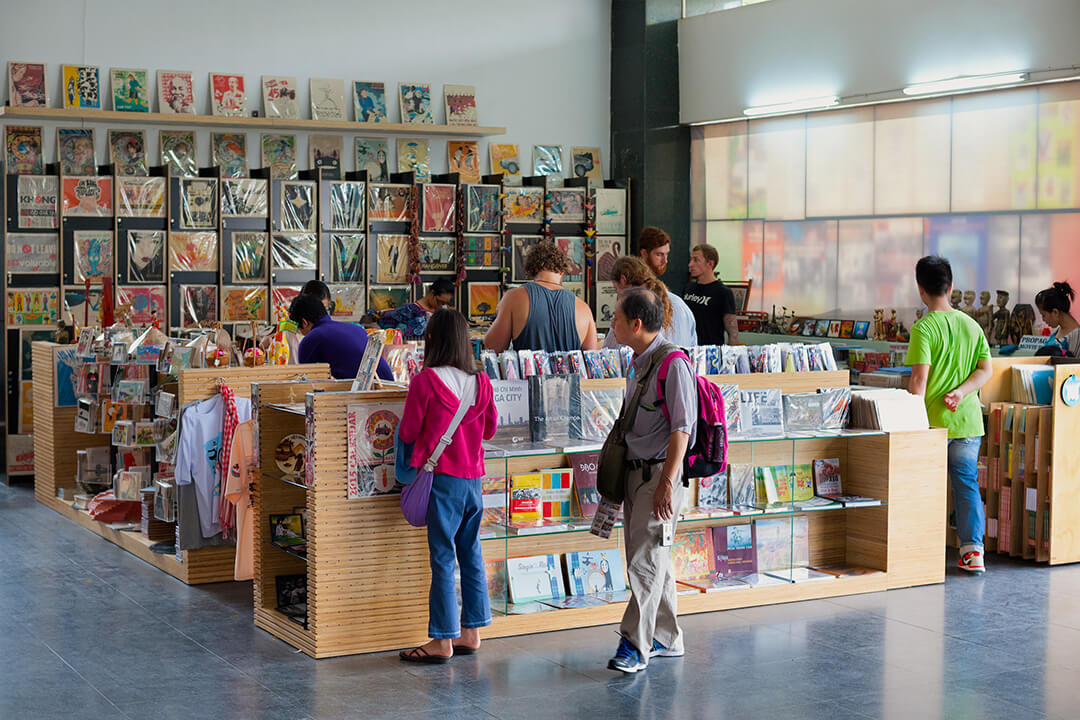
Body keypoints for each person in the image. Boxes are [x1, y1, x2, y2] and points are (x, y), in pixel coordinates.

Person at [398, 309, 497, 663]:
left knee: (442, 559)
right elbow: (490, 430)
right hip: (474, 481)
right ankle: (473, 632)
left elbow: (409, 431)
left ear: (432, 340)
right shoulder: (481, 380)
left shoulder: (425, 381)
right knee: (471, 554)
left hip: (443, 481)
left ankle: (441, 641)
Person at [606, 287, 697, 673]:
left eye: (615, 318)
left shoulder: (672, 363)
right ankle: (666, 636)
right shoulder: (637, 361)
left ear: (636, 324)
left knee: (643, 561)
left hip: (658, 475)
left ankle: (634, 644)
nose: (610, 324)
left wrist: (666, 484)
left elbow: (682, 429)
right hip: (634, 471)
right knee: (655, 556)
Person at [905, 256, 992, 574]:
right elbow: (985, 370)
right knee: (967, 484)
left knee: (922, 484)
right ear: (951, 287)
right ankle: (973, 553)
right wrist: (962, 392)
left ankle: (920, 549)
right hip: (968, 421)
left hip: (931, 424)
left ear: (920, 290)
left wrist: (909, 420)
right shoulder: (972, 325)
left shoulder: (923, 329)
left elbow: (918, 382)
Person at [484, 240, 599, 353]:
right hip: (572, 371)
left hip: (527, 372)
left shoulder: (514, 298)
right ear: (562, 272)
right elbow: (592, 362)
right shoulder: (584, 308)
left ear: (532, 270)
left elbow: (492, 346)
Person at [289, 293, 393, 381]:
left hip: (369, 396)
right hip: (391, 388)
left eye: (299, 329)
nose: (300, 332)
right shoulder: (356, 329)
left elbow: (305, 382)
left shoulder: (311, 339)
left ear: (304, 322)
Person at [601, 255, 686, 348]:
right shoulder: (679, 303)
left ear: (623, 280)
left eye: (616, 288)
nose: (618, 296)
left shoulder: (631, 305)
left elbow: (610, 348)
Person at [637, 227, 699, 346]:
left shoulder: (675, 303)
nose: (665, 260)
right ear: (644, 253)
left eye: (666, 254)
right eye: (659, 254)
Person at [684, 244, 739, 346]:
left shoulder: (723, 292)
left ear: (710, 264)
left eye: (696, 260)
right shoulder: (688, 288)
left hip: (710, 353)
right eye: (691, 259)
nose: (690, 264)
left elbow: (733, 333)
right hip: (688, 350)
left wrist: (730, 359)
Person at [366, 277, 455, 340]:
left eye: (444, 303)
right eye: (440, 302)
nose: (441, 306)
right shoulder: (409, 310)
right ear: (432, 293)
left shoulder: (443, 313)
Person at [1035, 282, 1079, 358]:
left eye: (1044, 315)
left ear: (1055, 312)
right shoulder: (1058, 330)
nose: (1043, 319)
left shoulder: (1077, 336)